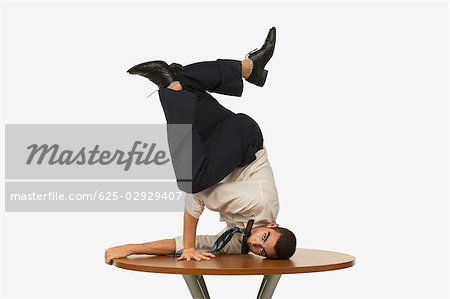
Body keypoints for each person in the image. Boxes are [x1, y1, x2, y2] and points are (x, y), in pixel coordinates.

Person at [105, 27, 297, 264]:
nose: (256, 243)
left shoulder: (241, 242)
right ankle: (175, 86)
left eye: (262, 251)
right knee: (192, 180)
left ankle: (246, 68)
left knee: (184, 85)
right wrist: (188, 247)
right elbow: (198, 196)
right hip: (244, 141)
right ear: (274, 225)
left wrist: (132, 248)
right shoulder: (260, 203)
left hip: (223, 148)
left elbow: (198, 244)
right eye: (265, 237)